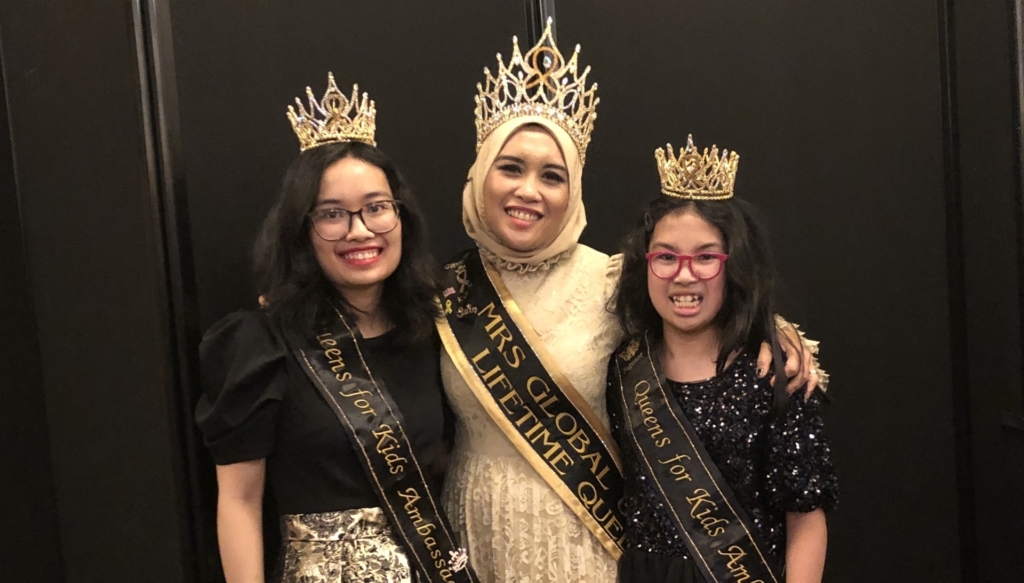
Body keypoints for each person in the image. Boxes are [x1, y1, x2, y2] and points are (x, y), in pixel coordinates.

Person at [436, 23, 826, 583]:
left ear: (574, 191)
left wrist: (776, 332)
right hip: (476, 531)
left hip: (590, 541)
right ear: (481, 174)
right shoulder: (442, 291)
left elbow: (701, 298)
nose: (529, 191)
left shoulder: (616, 279)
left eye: (553, 175)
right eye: (511, 167)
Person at [196, 74, 474, 583]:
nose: (360, 231)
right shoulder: (261, 344)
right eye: (332, 215)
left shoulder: (434, 331)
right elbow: (238, 501)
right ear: (302, 231)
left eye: (376, 208)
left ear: (401, 217)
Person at [606, 136, 839, 582]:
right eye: (666, 257)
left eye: (706, 257)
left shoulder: (774, 372)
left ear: (732, 265)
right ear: (645, 263)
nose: (684, 274)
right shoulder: (625, 366)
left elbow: (806, 519)